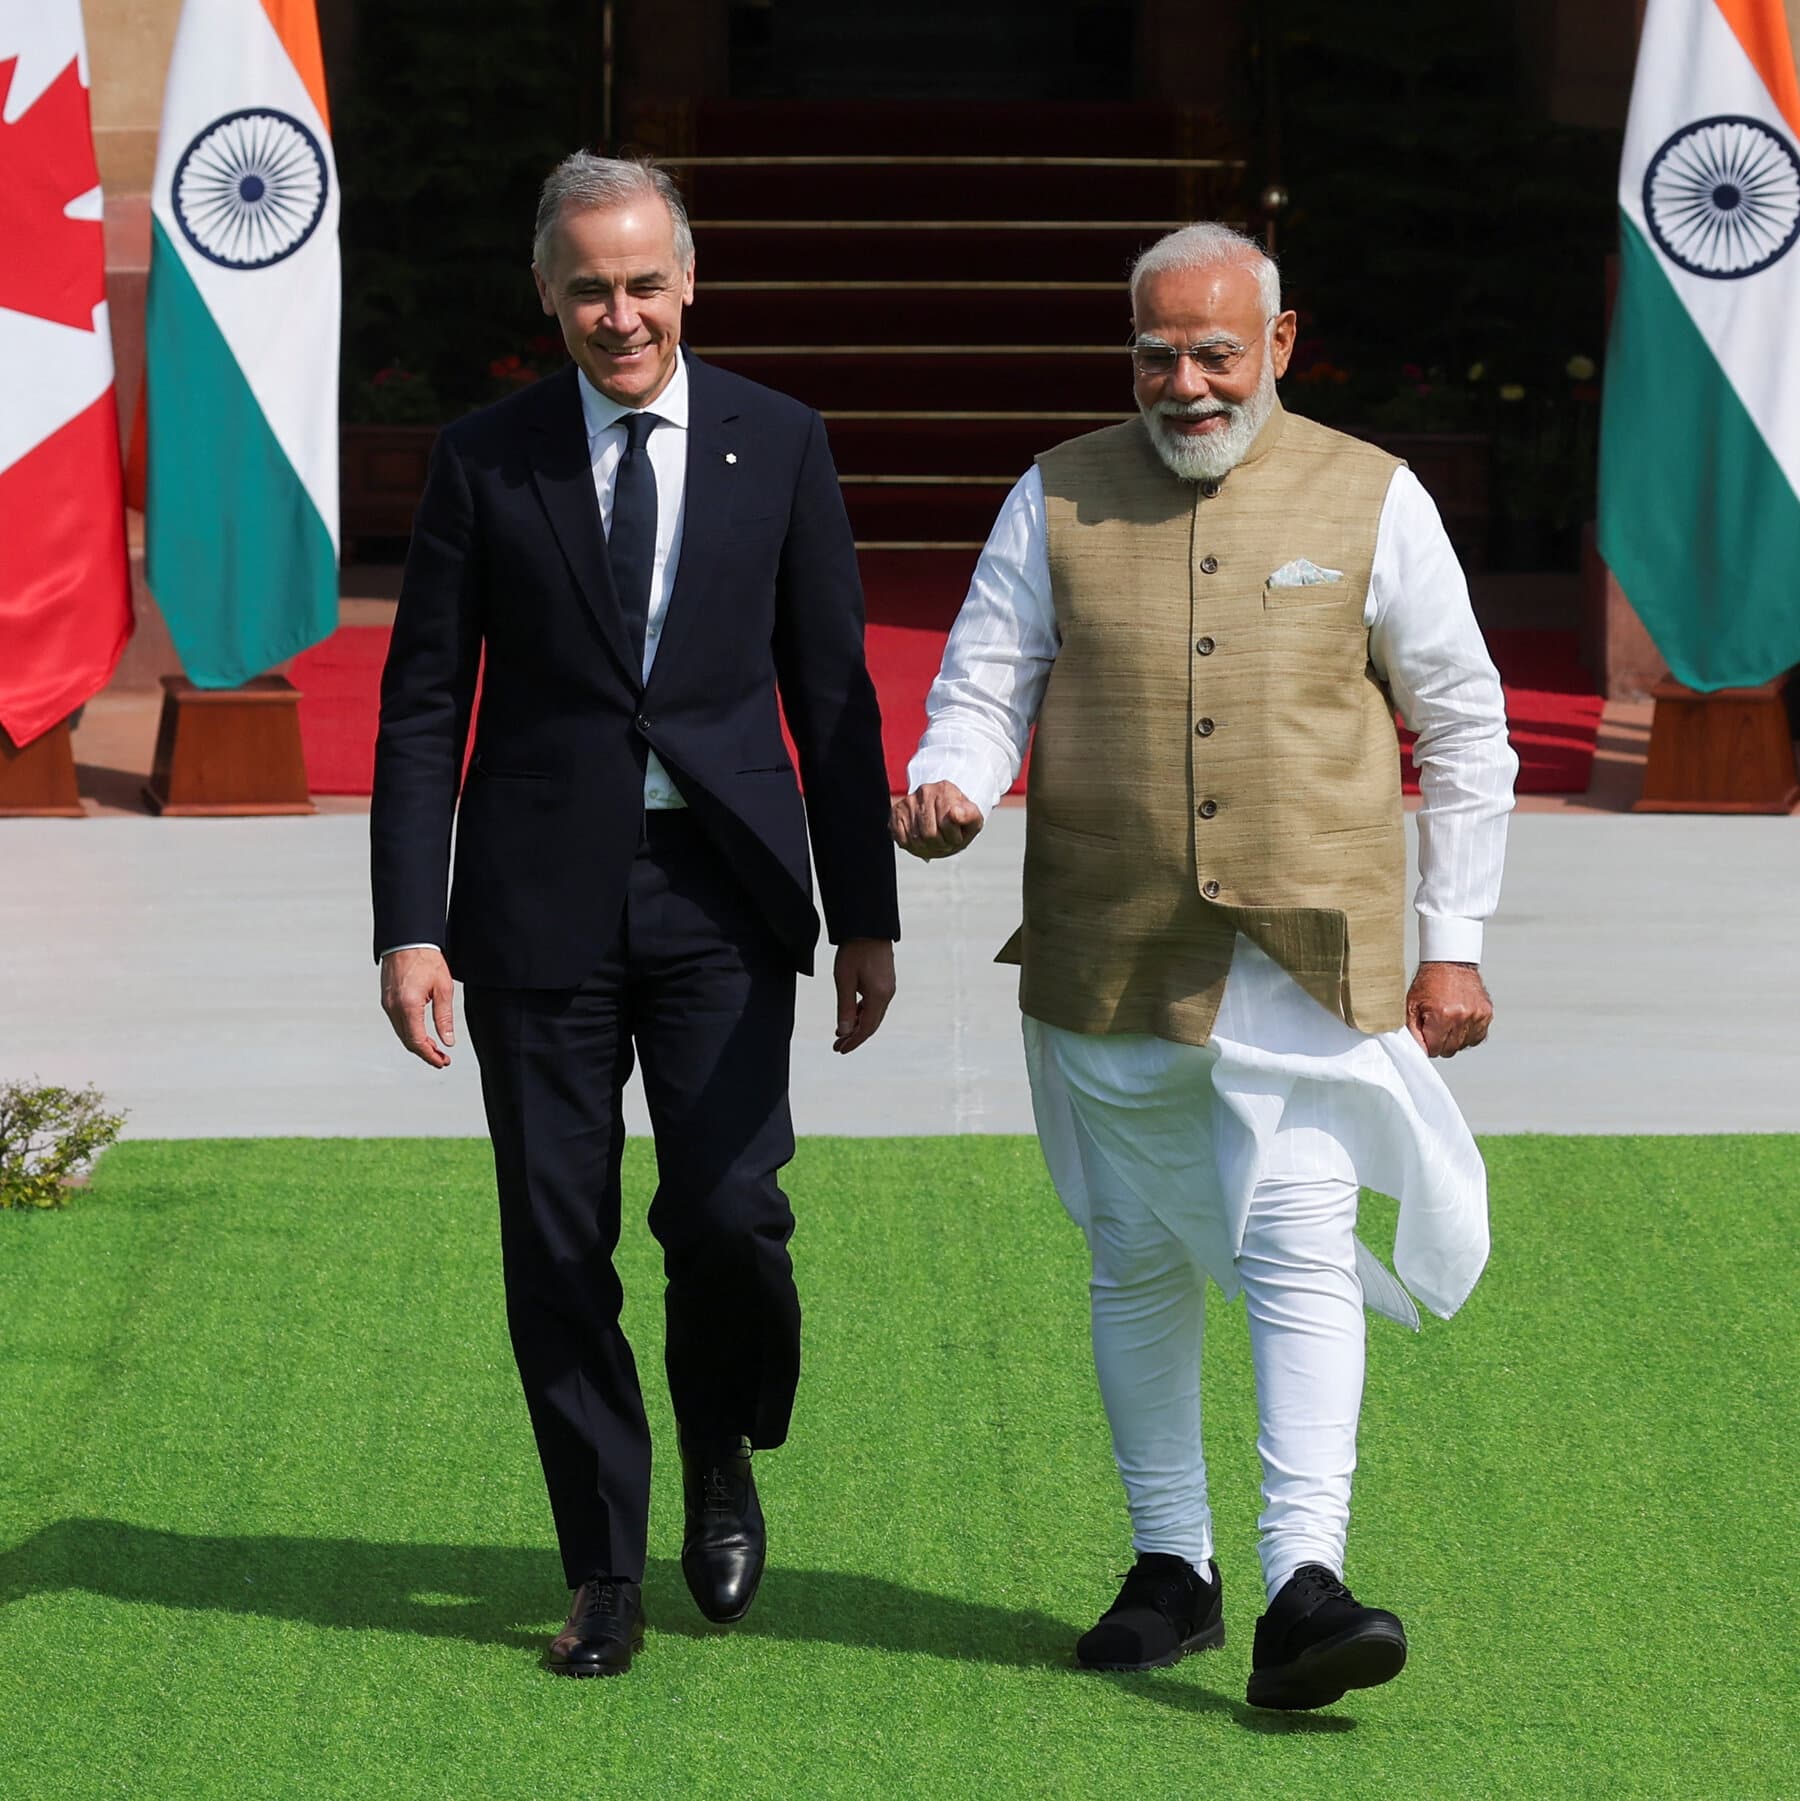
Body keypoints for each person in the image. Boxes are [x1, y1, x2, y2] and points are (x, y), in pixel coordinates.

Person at [892, 221, 1517, 1712]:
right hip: (1106, 950)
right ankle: (1170, 1564)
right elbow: (984, 682)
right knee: (1140, 1255)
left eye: (1216, 352)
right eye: (1157, 353)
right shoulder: (1052, 492)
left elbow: (1467, 720)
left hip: (1305, 960)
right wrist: (950, 775)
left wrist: (1460, 943)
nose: (1186, 382)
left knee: (1294, 1236)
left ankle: (1304, 1578)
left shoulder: (1376, 494)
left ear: (1279, 348)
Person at [371, 153, 899, 1677]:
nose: (620, 314)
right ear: (547, 293)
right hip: (537, 908)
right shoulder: (488, 457)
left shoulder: (779, 441)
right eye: (589, 287)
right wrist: (411, 924)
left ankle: (721, 1433)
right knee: (556, 1247)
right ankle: (603, 1563)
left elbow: (833, 694)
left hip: (725, 896)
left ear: (689, 280)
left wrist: (861, 915)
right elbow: (421, 709)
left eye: (643, 282)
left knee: (729, 1215)